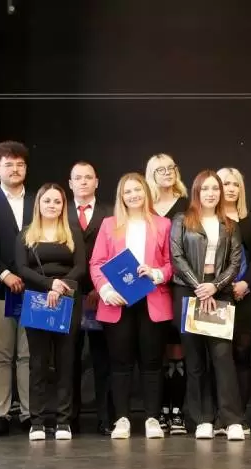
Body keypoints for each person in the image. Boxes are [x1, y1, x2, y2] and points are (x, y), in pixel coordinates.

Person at [90, 172, 173, 439]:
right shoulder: (109, 224)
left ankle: (152, 419)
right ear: (121, 197)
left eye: (138, 190)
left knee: (152, 363)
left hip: (152, 300)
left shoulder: (163, 224)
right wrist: (105, 290)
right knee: (120, 363)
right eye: (128, 191)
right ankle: (122, 419)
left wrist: (156, 273)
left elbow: (172, 263)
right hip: (117, 302)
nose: (133, 195)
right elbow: (96, 262)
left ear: (146, 193)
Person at [170, 170, 245, 441]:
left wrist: (214, 286)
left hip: (220, 292)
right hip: (188, 291)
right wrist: (199, 287)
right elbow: (176, 256)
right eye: (205, 189)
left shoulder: (230, 224)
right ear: (197, 192)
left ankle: (231, 419)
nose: (211, 193)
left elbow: (235, 262)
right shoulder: (182, 220)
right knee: (194, 358)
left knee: (223, 358)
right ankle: (203, 419)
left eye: (215, 189)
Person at [15, 183, 85, 441]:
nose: (52, 205)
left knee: (66, 362)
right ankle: (37, 422)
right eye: (47, 201)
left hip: (68, 301)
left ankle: (63, 421)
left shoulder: (73, 232)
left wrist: (61, 286)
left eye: (57, 201)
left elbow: (80, 267)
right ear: (39, 204)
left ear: (63, 206)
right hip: (37, 301)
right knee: (38, 363)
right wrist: (49, 285)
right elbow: (22, 268)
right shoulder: (26, 234)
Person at [0, 141, 35, 437]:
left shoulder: (39, 201)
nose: (15, 169)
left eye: (20, 164)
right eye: (8, 164)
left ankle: (28, 413)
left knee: (28, 355)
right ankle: (0, 413)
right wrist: (3, 273)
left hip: (33, 289)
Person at [66, 161, 115, 435]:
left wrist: (102, 286)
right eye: (78, 178)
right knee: (68, 359)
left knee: (103, 359)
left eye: (88, 177)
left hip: (103, 294)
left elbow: (118, 253)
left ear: (96, 182)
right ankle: (69, 418)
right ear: (70, 183)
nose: (83, 182)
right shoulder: (59, 211)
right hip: (68, 295)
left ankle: (106, 418)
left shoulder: (112, 212)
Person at [218, 167, 251, 435]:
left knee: (242, 354)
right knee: (219, 356)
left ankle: (240, 416)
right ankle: (220, 416)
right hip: (217, 296)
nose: (231, 189)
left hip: (246, 296)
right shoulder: (209, 219)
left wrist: (246, 283)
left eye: (235, 184)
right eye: (226, 183)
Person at [146, 153, 190, 434]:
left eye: (171, 168)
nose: (167, 173)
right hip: (150, 290)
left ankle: (178, 411)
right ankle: (160, 410)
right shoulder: (144, 206)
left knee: (178, 351)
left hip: (180, 286)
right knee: (155, 352)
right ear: (150, 174)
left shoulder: (187, 205)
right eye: (160, 170)